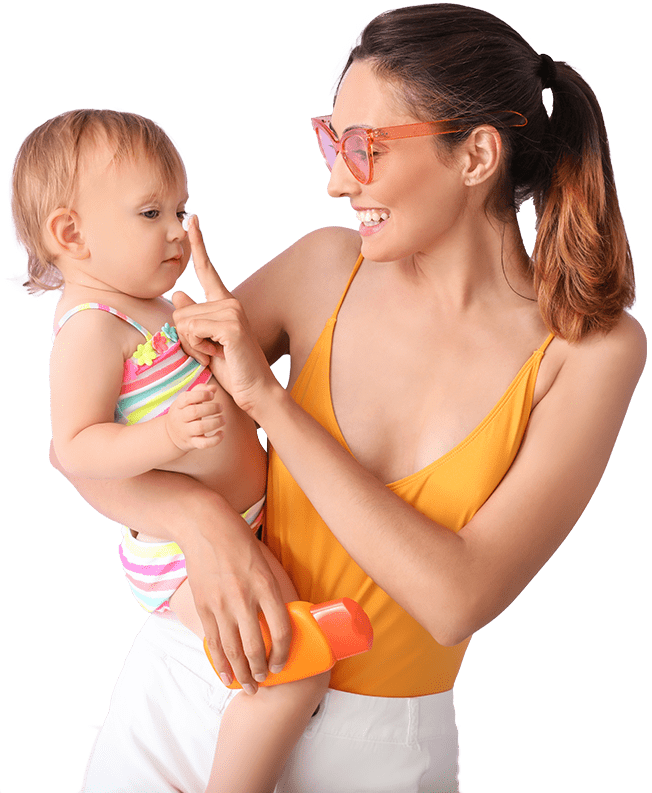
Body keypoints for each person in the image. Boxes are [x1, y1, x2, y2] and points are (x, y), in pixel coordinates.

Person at [49, 4, 645, 792]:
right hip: (191, 685)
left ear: (475, 156)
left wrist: (272, 404)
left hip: (381, 751)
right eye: (331, 140)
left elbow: (455, 597)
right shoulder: (324, 268)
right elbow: (84, 445)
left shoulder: (592, 351)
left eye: (364, 146)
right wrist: (196, 522)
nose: (336, 179)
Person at [8, 108, 331, 793]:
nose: (178, 231)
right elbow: (74, 447)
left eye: (182, 208)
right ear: (71, 234)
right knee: (288, 670)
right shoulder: (92, 330)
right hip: (180, 557)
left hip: (246, 523)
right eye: (151, 212)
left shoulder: (155, 307)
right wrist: (166, 437)